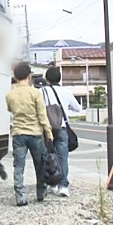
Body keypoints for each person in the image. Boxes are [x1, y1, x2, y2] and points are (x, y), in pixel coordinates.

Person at [5, 62, 53, 206]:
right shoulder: (35, 93)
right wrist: (48, 132)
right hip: (35, 133)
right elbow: (42, 115)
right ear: (29, 76)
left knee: (19, 166)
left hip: (18, 133)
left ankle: (20, 196)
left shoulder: (10, 95)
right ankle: (40, 192)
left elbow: (10, 110)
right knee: (40, 164)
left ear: (15, 76)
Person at [41, 65, 82, 197]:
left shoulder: (42, 92)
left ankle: (50, 184)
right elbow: (78, 108)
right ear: (59, 78)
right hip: (62, 128)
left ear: (47, 79)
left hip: (46, 129)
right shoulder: (66, 92)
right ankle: (63, 186)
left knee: (47, 157)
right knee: (62, 157)